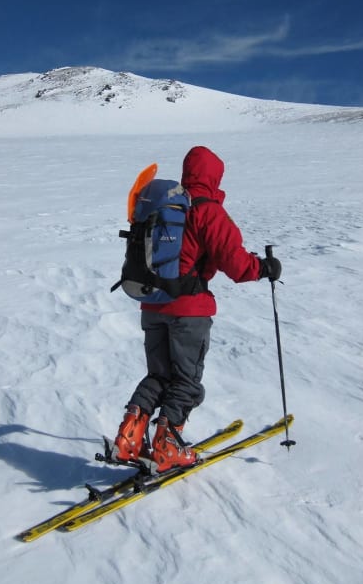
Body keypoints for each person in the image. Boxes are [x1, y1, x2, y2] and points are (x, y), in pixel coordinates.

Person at [112, 146, 281, 472]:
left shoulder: (165, 206)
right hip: (189, 311)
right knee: (187, 382)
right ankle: (167, 446)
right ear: (215, 177)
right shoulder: (208, 211)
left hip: (152, 305)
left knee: (160, 376)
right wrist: (264, 268)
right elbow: (237, 265)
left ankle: (129, 438)